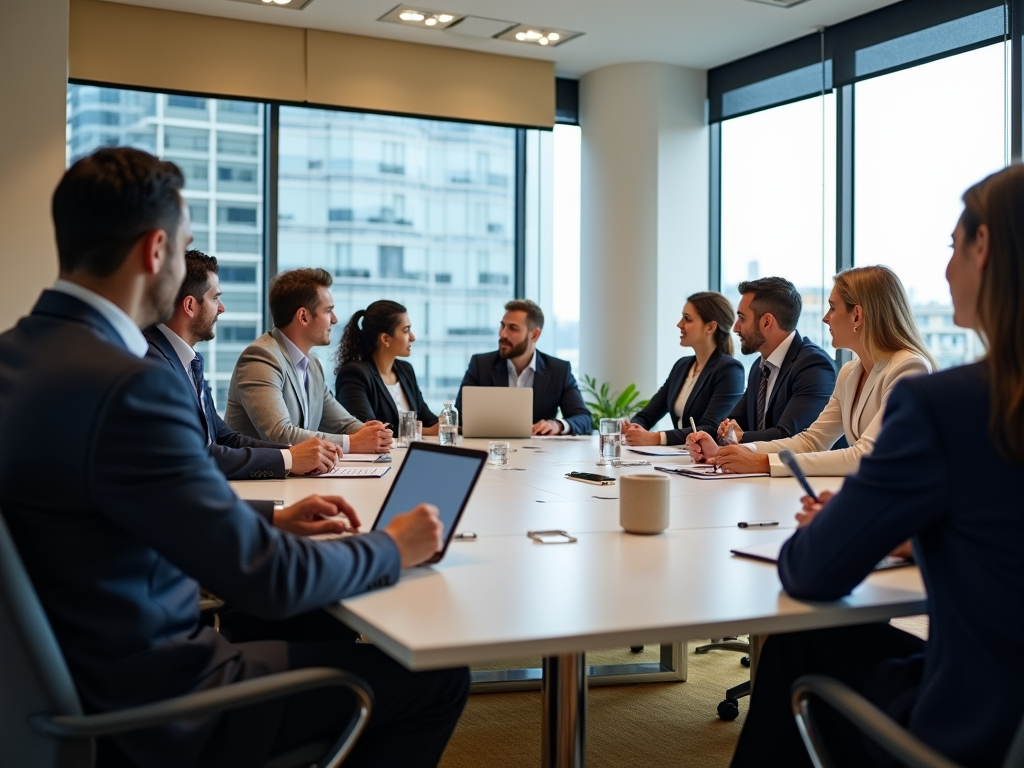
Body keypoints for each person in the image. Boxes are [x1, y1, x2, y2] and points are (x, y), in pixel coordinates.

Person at [0, 147, 468, 768]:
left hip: (64, 680)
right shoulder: (133, 384)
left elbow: (104, 514)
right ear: (155, 251)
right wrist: (394, 546)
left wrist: (268, 522)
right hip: (161, 701)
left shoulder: (17, 358)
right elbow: (267, 580)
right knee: (436, 678)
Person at [730, 166, 1024, 768]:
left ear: (984, 246)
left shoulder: (945, 401)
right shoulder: (865, 376)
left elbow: (811, 573)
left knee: (802, 639)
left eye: (951, 247)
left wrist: (839, 525)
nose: (946, 269)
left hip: (975, 725)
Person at [687, 267, 934, 475]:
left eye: (833, 308)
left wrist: (763, 463)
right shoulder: (850, 372)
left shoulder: (908, 367)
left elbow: (867, 454)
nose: (826, 318)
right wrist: (730, 453)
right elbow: (811, 441)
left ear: (857, 315)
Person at [145, 249, 341, 479]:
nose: (221, 308)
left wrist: (294, 453)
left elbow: (227, 438)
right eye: (215, 298)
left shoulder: (188, 360)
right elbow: (198, 454)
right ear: (190, 305)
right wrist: (289, 459)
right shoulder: (154, 363)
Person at [225, 268, 393, 454]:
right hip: (255, 480)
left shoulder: (312, 364)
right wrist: (353, 443)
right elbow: (280, 434)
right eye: (328, 311)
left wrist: (371, 432)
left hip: (293, 478)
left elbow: (342, 423)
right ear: (303, 316)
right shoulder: (260, 358)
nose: (335, 320)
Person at [684, 277, 836, 459]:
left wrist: (740, 437)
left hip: (809, 482)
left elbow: (790, 435)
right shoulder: (759, 367)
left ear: (766, 322)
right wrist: (709, 440)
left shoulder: (813, 365)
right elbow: (730, 425)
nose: (736, 328)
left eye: (741, 318)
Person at [454, 299, 592, 435]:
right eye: (502, 326)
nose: (503, 334)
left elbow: (583, 418)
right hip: (491, 450)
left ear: (534, 335)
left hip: (540, 454)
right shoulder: (481, 365)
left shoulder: (558, 370)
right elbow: (458, 417)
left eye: (513, 328)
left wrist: (558, 425)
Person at [622, 292, 744, 446]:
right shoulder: (682, 366)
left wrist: (657, 438)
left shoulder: (729, 369)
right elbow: (648, 414)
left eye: (687, 319)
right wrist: (636, 427)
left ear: (711, 327)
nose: (679, 324)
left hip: (706, 462)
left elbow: (711, 428)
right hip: (679, 458)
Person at [334, 300, 440, 436]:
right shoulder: (354, 374)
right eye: (406, 330)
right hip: (377, 456)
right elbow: (368, 429)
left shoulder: (405, 370)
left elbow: (428, 419)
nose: (412, 337)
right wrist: (425, 431)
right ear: (385, 339)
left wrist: (453, 422)